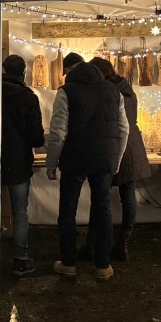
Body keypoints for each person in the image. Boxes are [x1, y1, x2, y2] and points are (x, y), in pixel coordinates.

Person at [45, 52, 128, 281]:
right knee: (103, 209)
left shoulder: (67, 91)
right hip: (104, 159)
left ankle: (69, 264)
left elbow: (58, 132)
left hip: (75, 158)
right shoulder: (114, 91)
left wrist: (52, 163)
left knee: (68, 209)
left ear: (70, 72)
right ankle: (103, 266)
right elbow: (123, 129)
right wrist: (116, 160)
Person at [0, 53, 45, 276]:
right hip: (19, 162)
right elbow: (36, 138)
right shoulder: (28, 97)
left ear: (3, 69)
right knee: (20, 211)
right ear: (23, 72)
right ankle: (20, 260)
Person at [89, 57, 152, 262]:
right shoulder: (127, 89)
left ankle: (95, 244)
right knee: (128, 196)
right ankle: (122, 243)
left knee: (101, 197)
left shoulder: (107, 92)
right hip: (132, 145)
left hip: (113, 146)